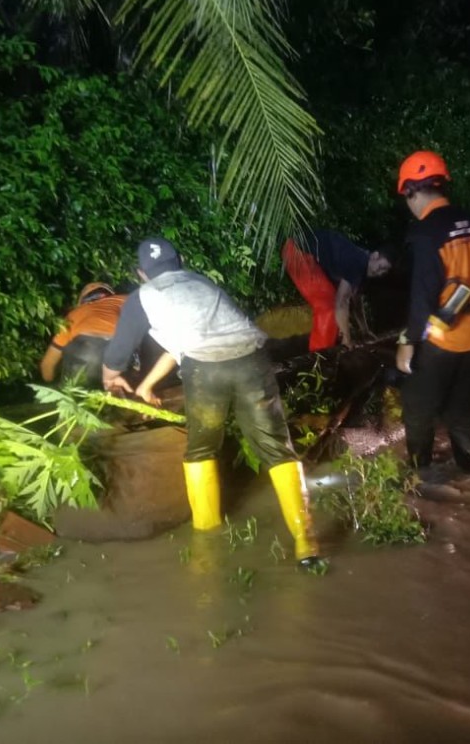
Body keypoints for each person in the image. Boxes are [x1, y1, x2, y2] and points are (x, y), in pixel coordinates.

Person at [101, 237, 321, 568]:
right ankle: (307, 543)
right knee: (277, 449)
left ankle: (207, 544)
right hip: (253, 360)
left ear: (141, 273)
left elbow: (117, 355)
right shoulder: (201, 284)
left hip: (207, 372)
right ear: (181, 261)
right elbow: (181, 346)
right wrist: (147, 385)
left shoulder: (143, 297)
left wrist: (109, 378)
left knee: (202, 450)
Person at [394, 150, 470, 477]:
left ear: (411, 190)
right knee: (461, 414)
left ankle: (418, 483)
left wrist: (407, 343)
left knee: (418, 410)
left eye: (405, 196)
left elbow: (422, 295)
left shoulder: (425, 233)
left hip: (442, 338)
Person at [281, 229, 395, 351]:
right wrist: (347, 340)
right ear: (375, 256)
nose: (379, 272)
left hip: (300, 252)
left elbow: (356, 301)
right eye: (381, 267)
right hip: (296, 251)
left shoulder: (362, 268)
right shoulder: (358, 262)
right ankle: (319, 358)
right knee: (328, 307)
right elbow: (341, 303)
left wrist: (364, 330)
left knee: (332, 304)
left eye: (384, 272)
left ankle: (327, 346)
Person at [40, 282, 128, 387]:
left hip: (84, 350)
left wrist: (50, 384)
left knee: (74, 397)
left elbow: (47, 364)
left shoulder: (74, 314)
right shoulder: (126, 299)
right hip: (118, 348)